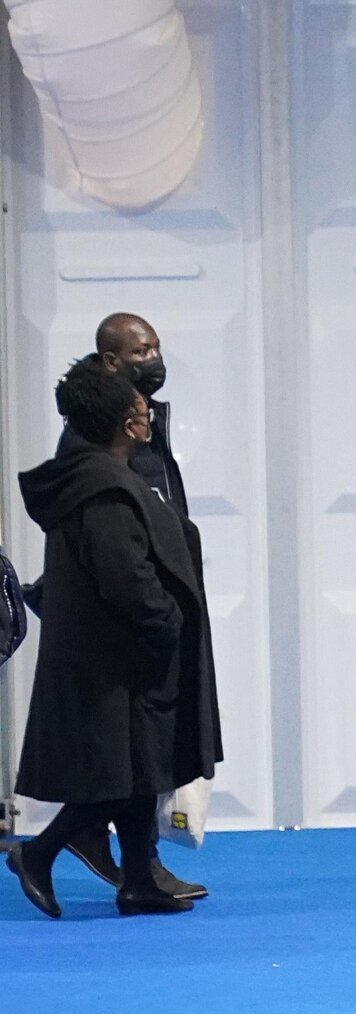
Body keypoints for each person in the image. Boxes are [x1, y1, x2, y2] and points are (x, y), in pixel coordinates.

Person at [5, 364, 220, 918]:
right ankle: (40, 854)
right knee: (119, 778)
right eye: (142, 410)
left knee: (138, 772)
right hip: (121, 660)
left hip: (117, 658)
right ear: (130, 423)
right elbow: (125, 577)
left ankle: (139, 881)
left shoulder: (93, 476)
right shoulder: (103, 488)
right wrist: (166, 623)